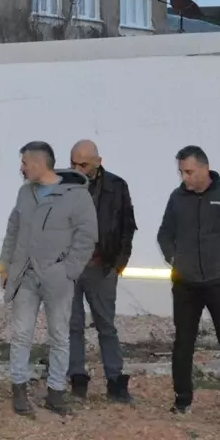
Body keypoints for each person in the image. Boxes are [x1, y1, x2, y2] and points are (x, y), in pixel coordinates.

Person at [157, 145, 220, 419]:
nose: (185, 178)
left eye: (189, 172)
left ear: (204, 168)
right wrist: (174, 257)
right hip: (186, 283)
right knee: (183, 342)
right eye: (181, 173)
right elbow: (164, 234)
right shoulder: (177, 198)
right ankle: (182, 400)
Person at [0, 141, 98, 416]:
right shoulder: (24, 194)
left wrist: (68, 270)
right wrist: (5, 265)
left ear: (39, 164)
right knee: (20, 334)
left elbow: (87, 236)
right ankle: (19, 389)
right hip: (25, 276)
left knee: (59, 336)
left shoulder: (76, 196)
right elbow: (13, 229)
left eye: (24, 162)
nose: (21, 168)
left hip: (57, 278)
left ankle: (56, 393)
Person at [67, 139, 136, 403]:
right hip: (70, 268)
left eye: (83, 163)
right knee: (72, 325)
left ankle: (115, 381)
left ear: (98, 161)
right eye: (73, 162)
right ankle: (77, 379)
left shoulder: (117, 187)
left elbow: (127, 226)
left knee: (106, 325)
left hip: (102, 267)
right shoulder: (63, 185)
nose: (78, 168)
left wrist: (118, 264)